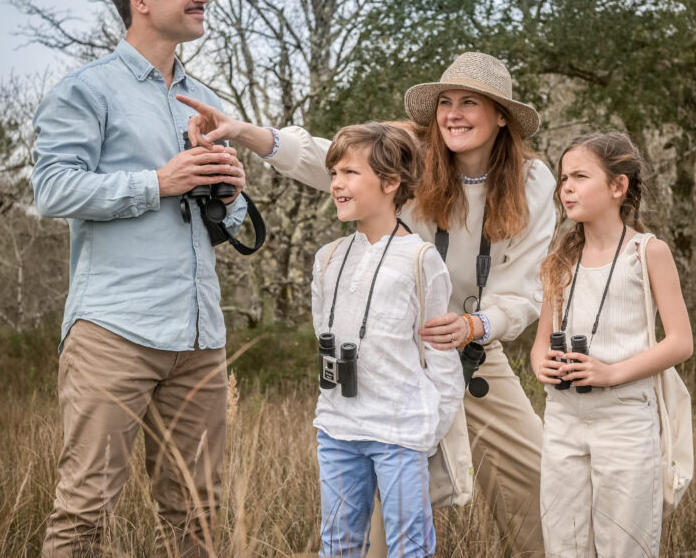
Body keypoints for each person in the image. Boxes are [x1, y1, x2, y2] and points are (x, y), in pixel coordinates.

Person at [179, 51, 555, 556]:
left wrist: (475, 325)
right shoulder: (411, 153)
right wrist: (242, 131)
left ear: (502, 115)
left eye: (471, 103)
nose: (453, 114)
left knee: (539, 489)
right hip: (396, 361)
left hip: (472, 347)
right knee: (386, 535)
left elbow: (525, 290)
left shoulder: (532, 182)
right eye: (446, 102)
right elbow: (327, 157)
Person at [32, 0, 248, 557]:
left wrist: (230, 193)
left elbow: (221, 225)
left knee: (199, 516)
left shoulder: (204, 97)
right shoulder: (85, 91)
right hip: (114, 331)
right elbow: (51, 189)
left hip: (201, 339)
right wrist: (158, 182)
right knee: (84, 511)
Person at [530, 132, 694, 558]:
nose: (566, 186)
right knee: (564, 545)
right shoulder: (559, 259)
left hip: (624, 420)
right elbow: (541, 342)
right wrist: (539, 364)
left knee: (624, 546)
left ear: (618, 187)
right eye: (564, 177)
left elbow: (680, 342)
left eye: (580, 176)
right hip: (563, 417)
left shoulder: (647, 252)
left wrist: (610, 372)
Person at [311, 122, 462, 558]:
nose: (337, 183)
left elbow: (442, 357)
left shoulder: (420, 259)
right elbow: (325, 337)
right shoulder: (328, 259)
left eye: (350, 173)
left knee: (409, 548)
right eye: (334, 173)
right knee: (338, 545)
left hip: (400, 432)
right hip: (337, 428)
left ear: (391, 182)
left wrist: (426, 429)